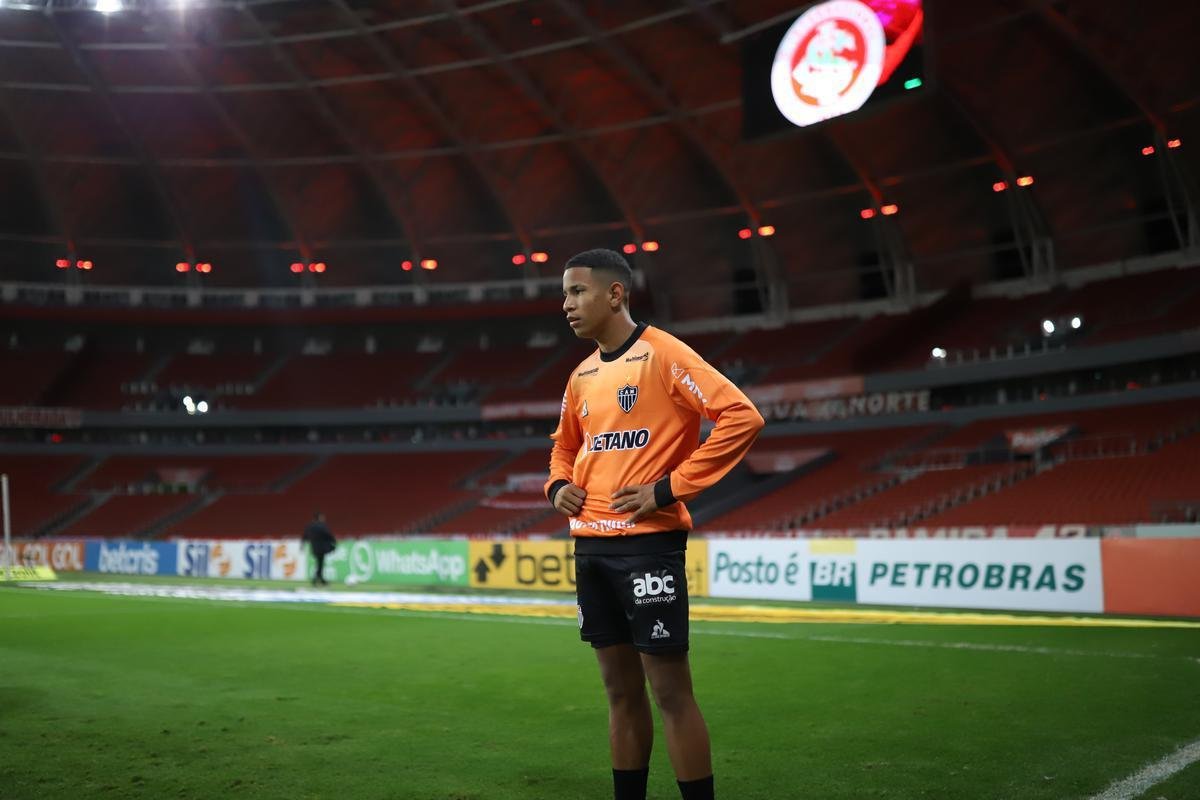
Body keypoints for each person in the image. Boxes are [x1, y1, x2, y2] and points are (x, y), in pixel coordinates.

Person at [545, 249, 765, 800]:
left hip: (648, 549)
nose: (566, 304)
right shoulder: (581, 376)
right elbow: (563, 450)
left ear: (615, 295)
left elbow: (742, 416)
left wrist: (668, 489)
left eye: (577, 291)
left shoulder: (663, 354)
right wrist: (557, 486)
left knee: (669, 692)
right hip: (591, 548)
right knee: (618, 693)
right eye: (565, 294)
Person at [302, 512, 337, 586]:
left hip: (314, 547)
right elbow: (328, 534)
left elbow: (305, 535)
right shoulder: (321, 526)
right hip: (322, 547)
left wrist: (302, 544)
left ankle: (320, 579)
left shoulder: (310, 526)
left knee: (319, 563)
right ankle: (317, 579)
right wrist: (334, 541)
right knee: (320, 563)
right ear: (319, 517)